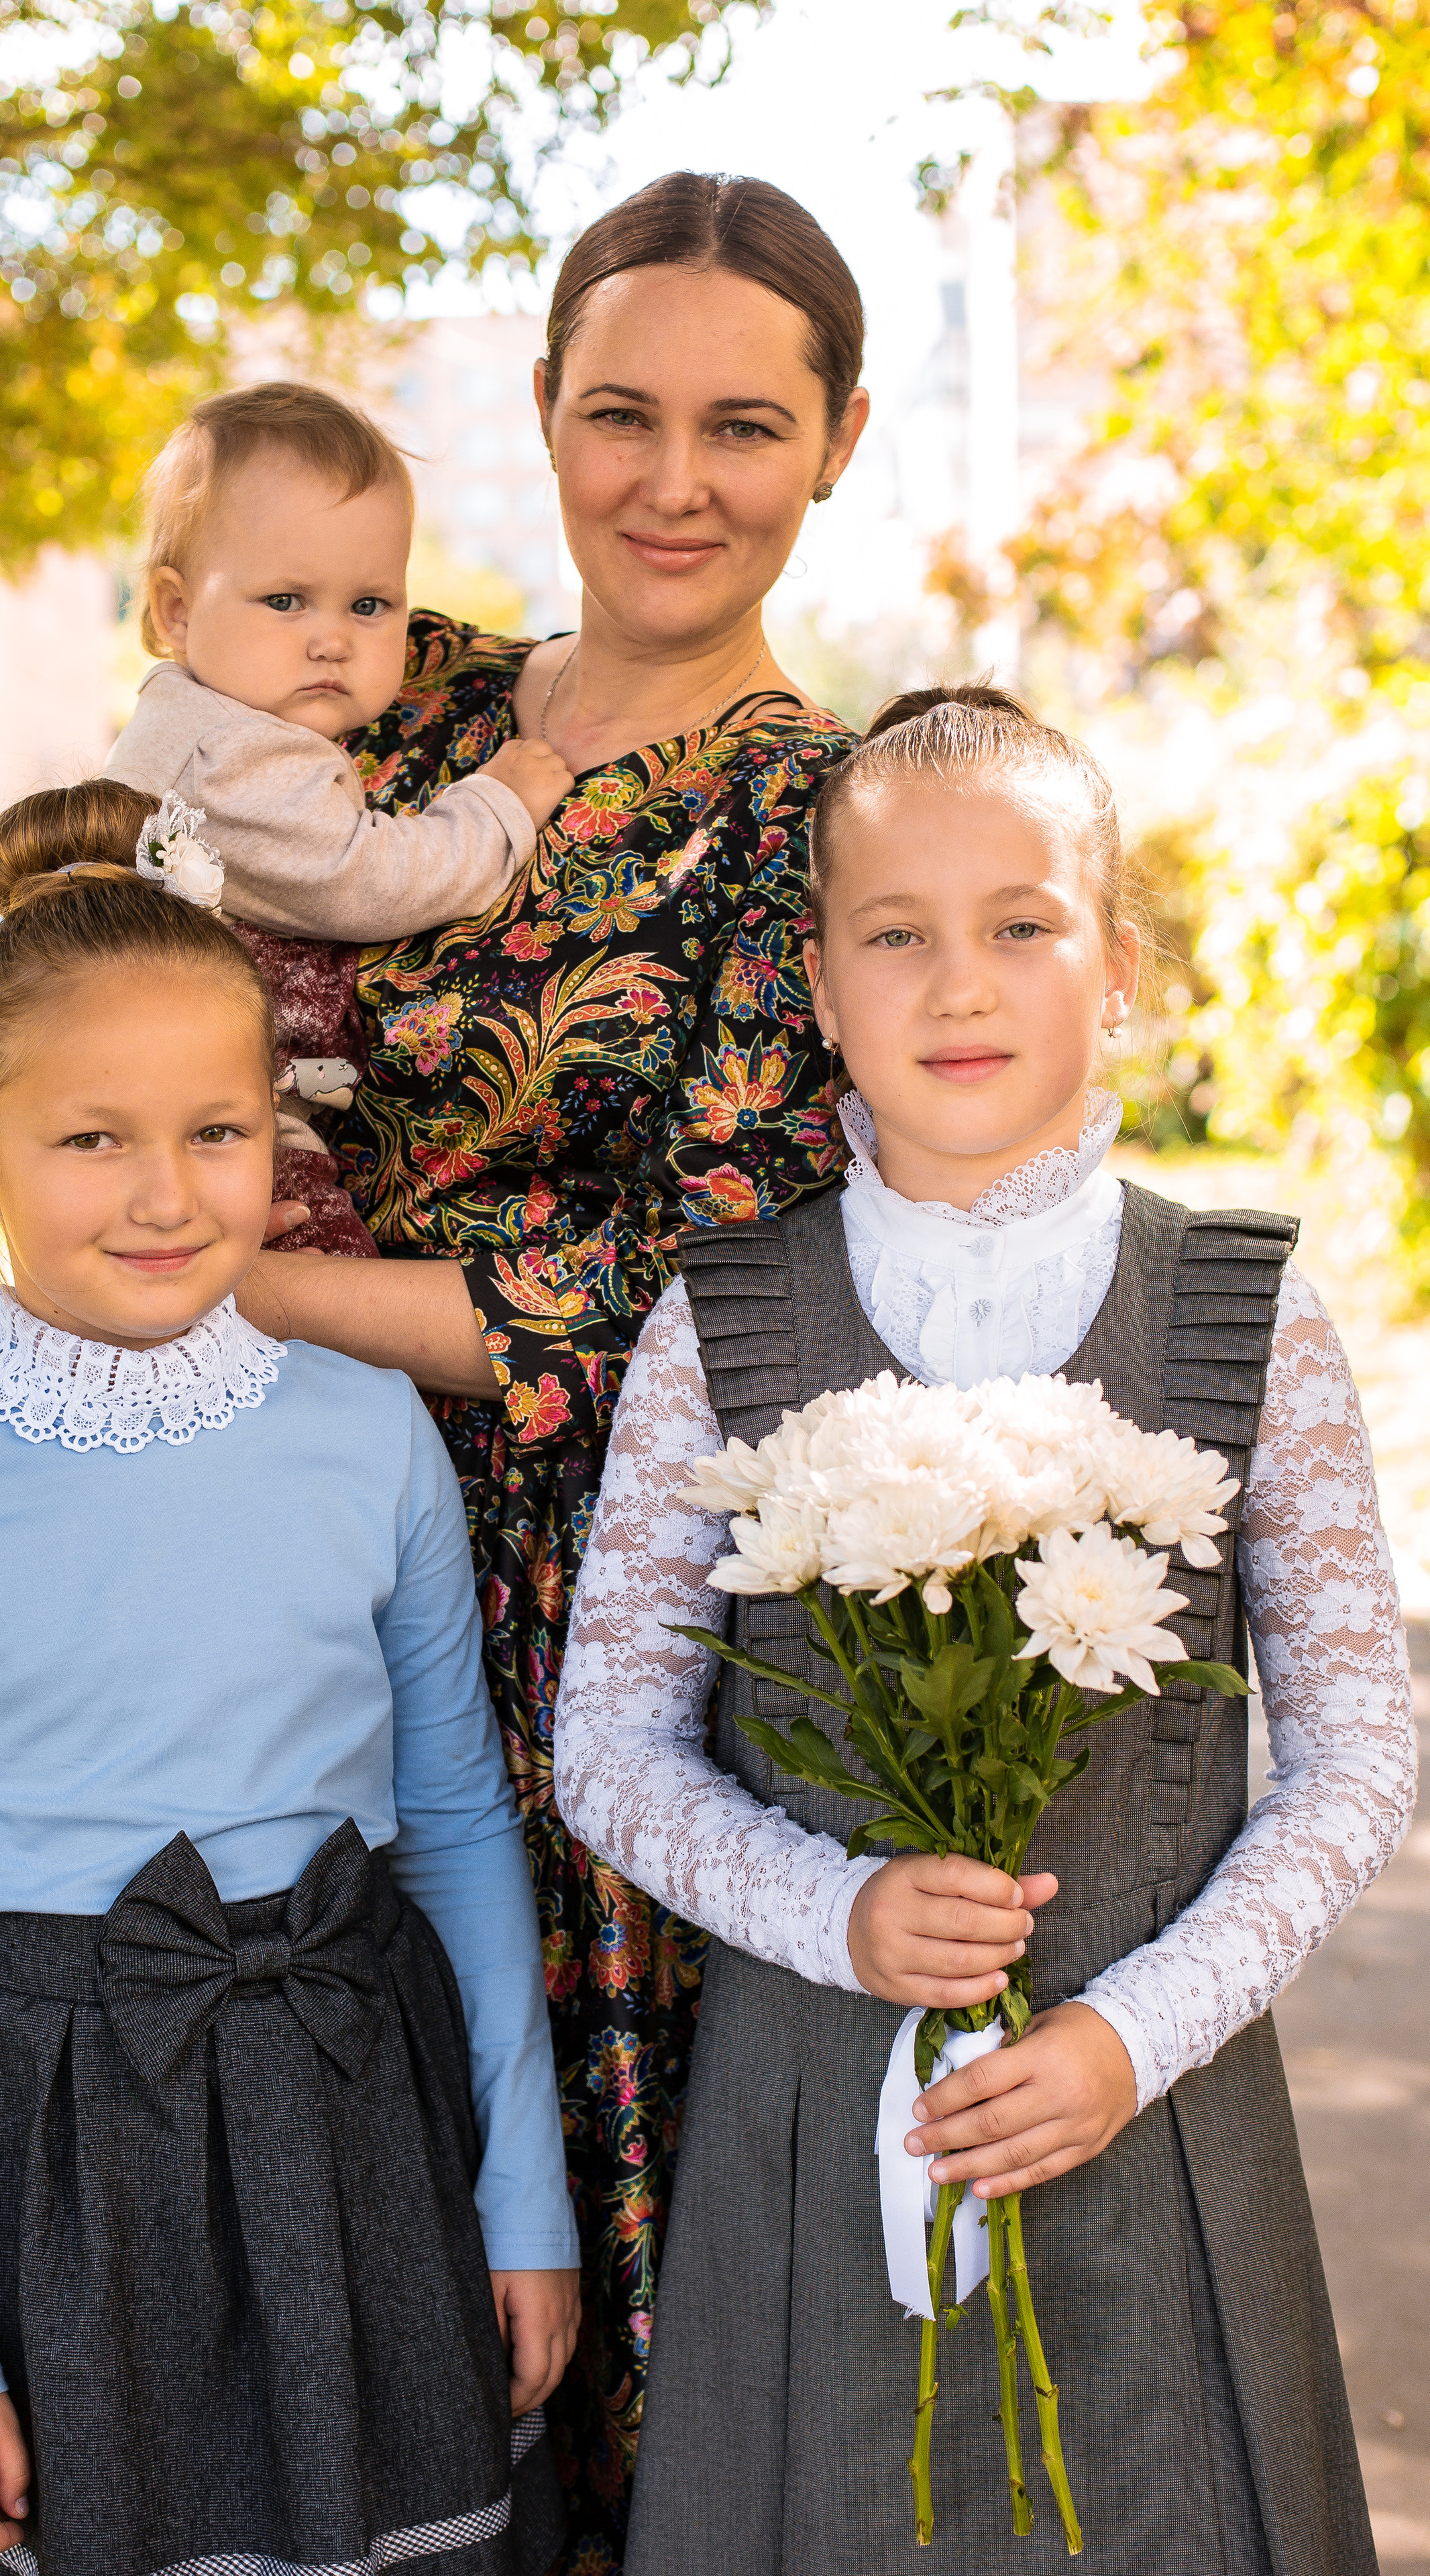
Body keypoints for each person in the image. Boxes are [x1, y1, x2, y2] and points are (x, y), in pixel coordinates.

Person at [555, 684, 1417, 2575]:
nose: (958, 985)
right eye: (896, 935)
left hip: (1151, 2120)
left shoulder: (1246, 1313)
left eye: (1020, 925)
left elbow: (1361, 1753)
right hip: (812, 2122)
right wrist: (834, 1911)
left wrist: (1133, 2030)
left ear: (1119, 970)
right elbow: (607, 1746)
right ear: (819, 986)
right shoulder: (719, 1322)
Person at [0, 778, 579, 2576]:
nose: (167, 1195)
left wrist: (523, 2196)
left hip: (357, 2130)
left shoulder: (370, 1439)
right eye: (92, 1139)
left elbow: (455, 1827)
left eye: (217, 1131)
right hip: (49, 2168)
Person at [238, 172, 868, 2569]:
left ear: (838, 444)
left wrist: (248, 1284)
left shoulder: (817, 816)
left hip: (554, 1616)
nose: (673, 482)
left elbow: (698, 1285)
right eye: (622, 414)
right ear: (541, 411)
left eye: (744, 426)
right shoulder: (383, 696)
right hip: (251, 1537)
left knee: (533, 2273)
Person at [106, 379, 573, 1256]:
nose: (332, 639)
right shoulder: (234, 759)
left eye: (369, 605)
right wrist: (499, 803)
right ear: (176, 611)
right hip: (197, 1123)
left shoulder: (204, 721)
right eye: (285, 601)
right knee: (317, 1261)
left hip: (213, 1091)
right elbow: (366, 878)